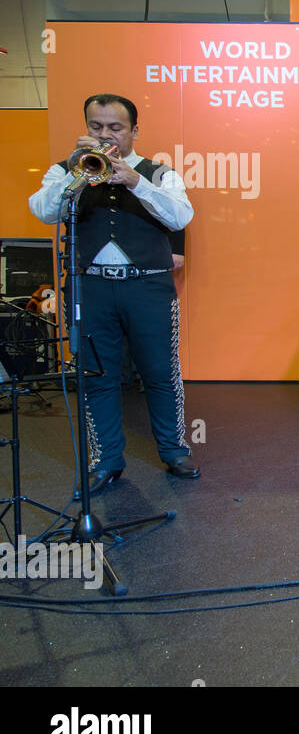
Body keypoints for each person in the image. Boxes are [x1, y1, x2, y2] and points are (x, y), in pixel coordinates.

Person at [29, 93, 198, 493]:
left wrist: (134, 180)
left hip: (149, 286)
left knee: (160, 373)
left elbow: (180, 215)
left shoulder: (158, 174)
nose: (105, 135)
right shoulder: (66, 171)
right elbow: (42, 210)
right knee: (97, 377)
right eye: (96, 126)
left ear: (134, 131)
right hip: (91, 287)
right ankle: (105, 460)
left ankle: (173, 450)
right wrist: (75, 174)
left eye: (115, 128)